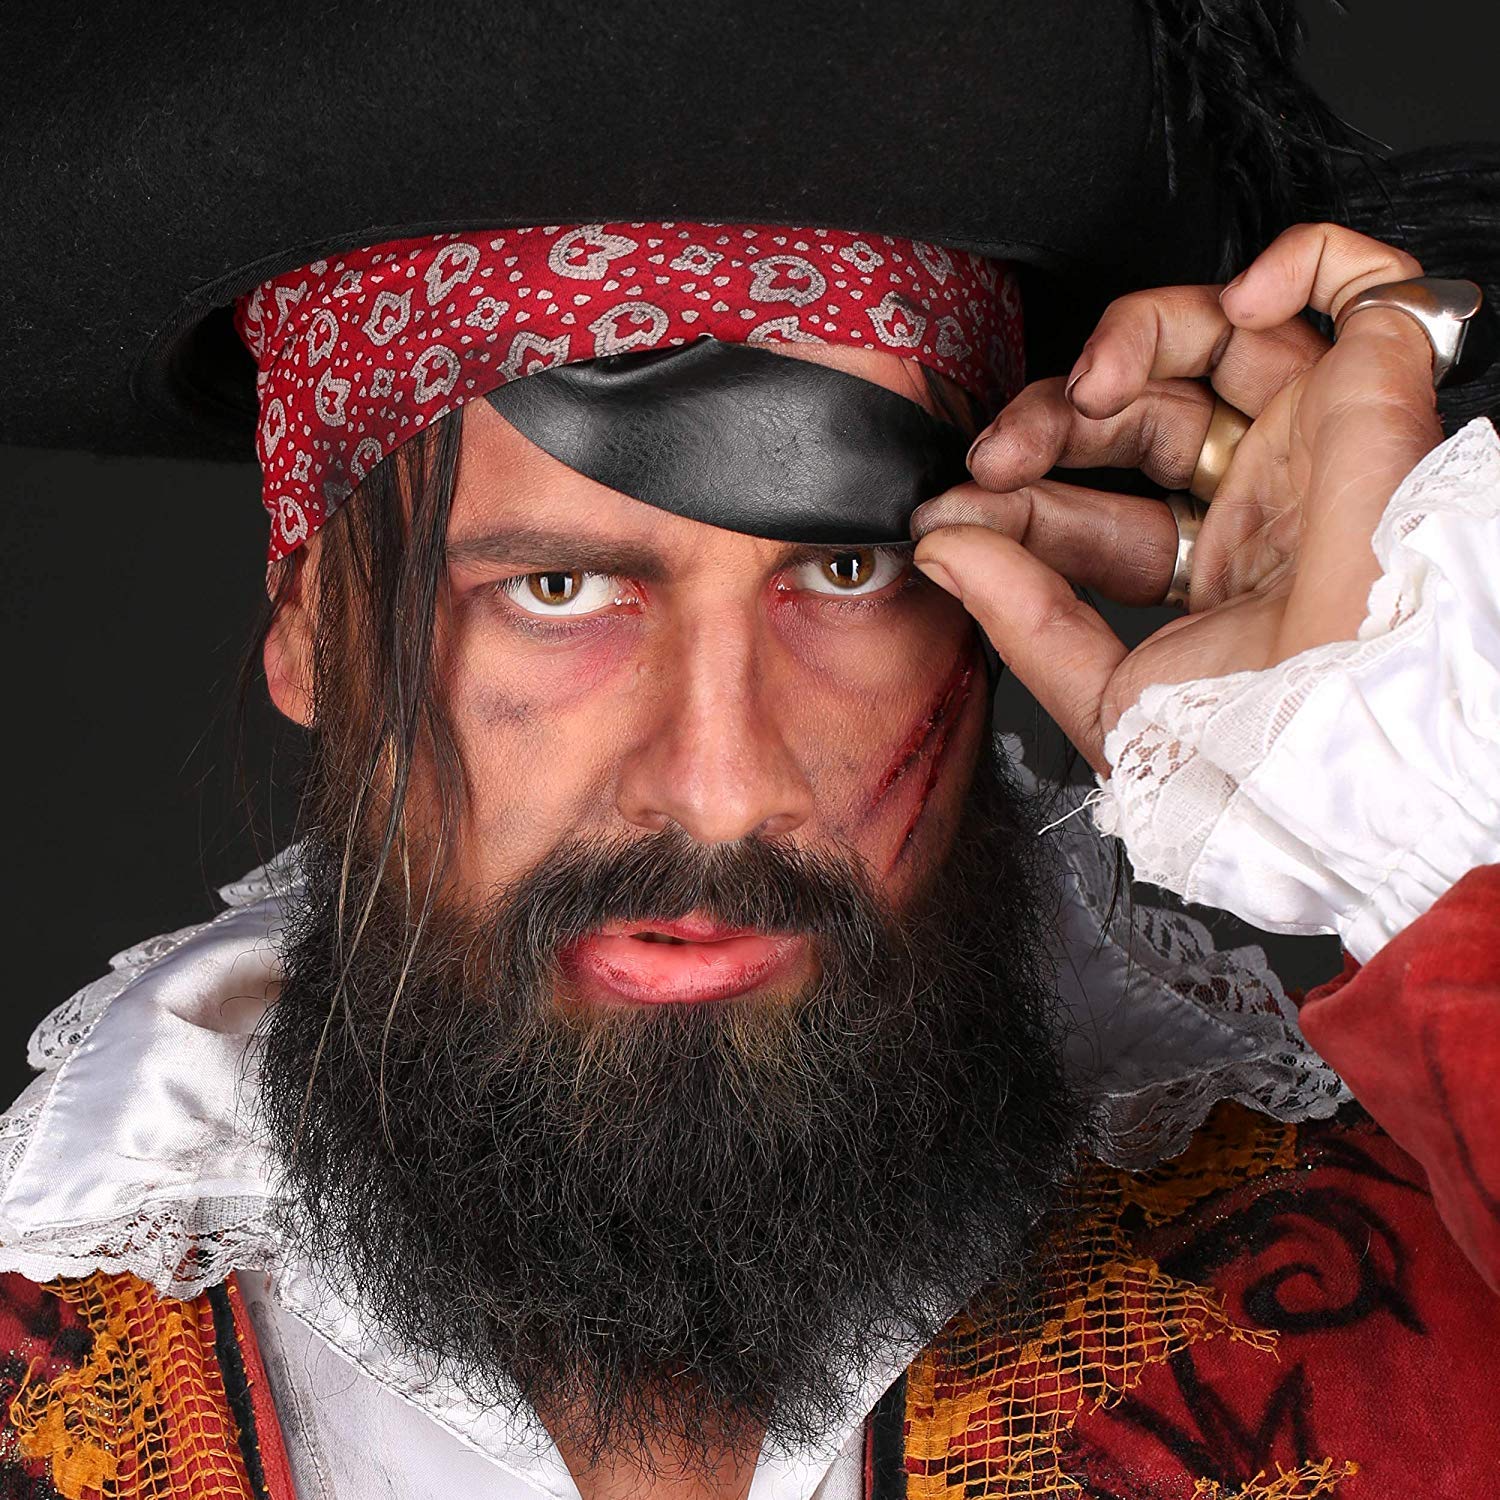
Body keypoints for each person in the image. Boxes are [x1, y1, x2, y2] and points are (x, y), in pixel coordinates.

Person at [1, 6, 1497, 1498]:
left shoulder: (1427, 1291)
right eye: (556, 590)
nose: (719, 791)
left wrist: (1384, 766)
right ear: (316, 630)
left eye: (849, 574)